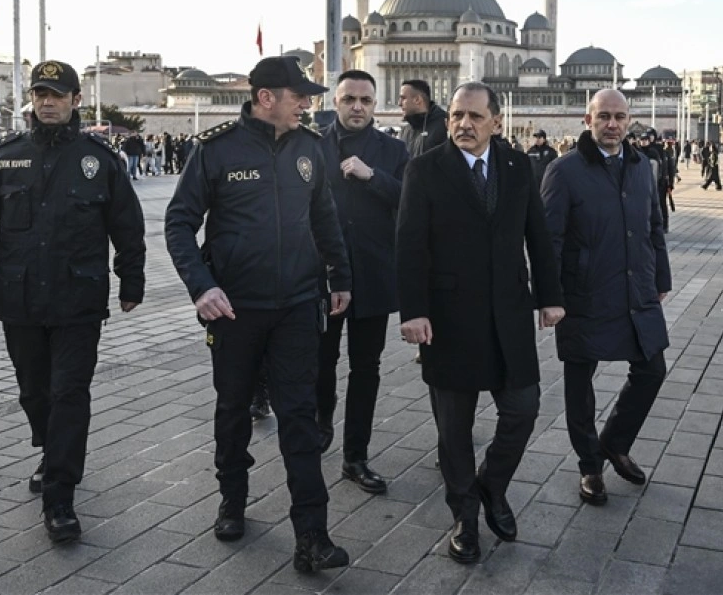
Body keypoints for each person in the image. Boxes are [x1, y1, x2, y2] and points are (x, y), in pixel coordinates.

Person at [164, 55, 352, 572]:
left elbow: (325, 219)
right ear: (266, 97)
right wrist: (201, 288)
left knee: (298, 416)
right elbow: (179, 223)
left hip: (296, 305)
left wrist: (340, 277)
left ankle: (312, 534)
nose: (308, 104)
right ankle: (233, 498)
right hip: (234, 310)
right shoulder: (216, 150)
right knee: (232, 410)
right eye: (300, 96)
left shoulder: (309, 148)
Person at [0, 60, 146, 543]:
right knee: (34, 392)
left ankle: (60, 494)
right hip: (19, 299)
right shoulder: (5, 157)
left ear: (76, 100)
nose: (48, 102)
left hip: (79, 300)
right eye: (40, 94)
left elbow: (128, 226)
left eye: (57, 94)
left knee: (69, 394)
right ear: (32, 101)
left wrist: (132, 281)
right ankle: (49, 446)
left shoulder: (100, 160)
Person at [395, 81, 564, 564]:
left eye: (473, 116)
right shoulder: (425, 169)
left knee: (523, 409)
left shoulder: (518, 166)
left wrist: (550, 298)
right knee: (454, 430)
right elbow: (409, 245)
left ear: (495, 121)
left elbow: (539, 234)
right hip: (448, 320)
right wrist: (414, 311)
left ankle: (491, 486)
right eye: (455, 116)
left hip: (508, 314)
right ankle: (465, 517)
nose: (463, 125)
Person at [541, 90, 671, 507]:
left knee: (651, 369)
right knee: (580, 382)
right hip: (583, 292)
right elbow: (549, 241)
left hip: (636, 287)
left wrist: (661, 277)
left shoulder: (639, 167)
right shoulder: (565, 171)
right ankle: (589, 467)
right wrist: (550, 296)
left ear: (628, 120)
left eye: (619, 117)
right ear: (588, 119)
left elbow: (654, 226)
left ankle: (614, 442)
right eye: (604, 117)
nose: (612, 124)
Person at [314, 69, 409, 494]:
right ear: (335, 101)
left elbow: (410, 201)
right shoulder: (312, 147)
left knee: (365, 368)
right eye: (349, 98)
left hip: (372, 275)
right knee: (320, 362)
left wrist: (374, 177)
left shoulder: (393, 150)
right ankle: (320, 421)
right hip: (323, 276)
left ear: (375, 104)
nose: (357, 107)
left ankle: (356, 455)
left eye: (365, 100)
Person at [638, 128, 676, 233]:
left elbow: (669, 168)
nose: (649, 139)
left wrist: (670, 183)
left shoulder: (660, 151)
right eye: (646, 137)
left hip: (661, 183)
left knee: (661, 204)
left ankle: (664, 224)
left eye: (650, 136)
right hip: (646, 183)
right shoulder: (640, 151)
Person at [397, 79, 447, 158]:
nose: (399, 103)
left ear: (417, 100)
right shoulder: (405, 130)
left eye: (403, 98)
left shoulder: (445, 126)